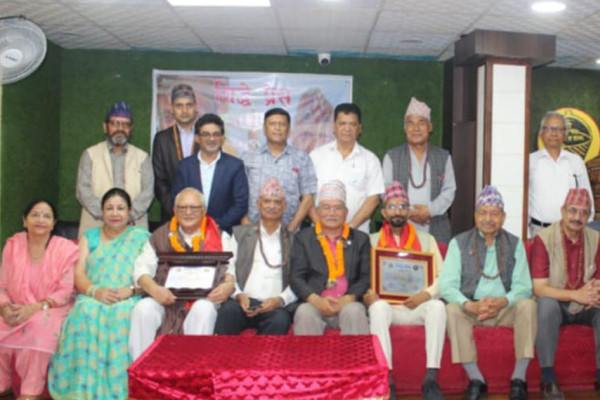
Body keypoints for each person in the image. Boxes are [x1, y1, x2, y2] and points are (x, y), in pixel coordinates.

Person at [48, 188, 150, 400]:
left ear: (129, 211)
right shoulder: (89, 237)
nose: (115, 213)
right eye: (109, 208)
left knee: (124, 313)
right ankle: (82, 389)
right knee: (84, 311)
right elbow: (79, 273)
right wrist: (96, 292)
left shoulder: (142, 238)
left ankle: (121, 390)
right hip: (93, 295)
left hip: (128, 296)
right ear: (102, 212)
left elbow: (152, 274)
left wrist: (130, 290)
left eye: (120, 208)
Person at [438, 185, 536, 400]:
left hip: (505, 308)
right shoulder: (458, 243)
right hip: (472, 308)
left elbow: (524, 286)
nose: (488, 219)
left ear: (503, 217)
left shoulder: (515, 244)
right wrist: (469, 305)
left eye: (494, 213)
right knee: (452, 310)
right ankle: (476, 380)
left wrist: (503, 301)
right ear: (475, 215)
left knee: (528, 305)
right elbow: (447, 285)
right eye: (483, 213)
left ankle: (519, 379)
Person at [129, 187, 235, 360]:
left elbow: (230, 270)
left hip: (204, 298)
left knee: (204, 309)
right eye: (182, 207)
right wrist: (155, 290)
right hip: (166, 299)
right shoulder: (160, 236)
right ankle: (141, 368)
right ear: (174, 210)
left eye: (194, 208)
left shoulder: (220, 236)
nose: (188, 212)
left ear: (204, 210)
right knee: (143, 308)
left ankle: (193, 370)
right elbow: (141, 270)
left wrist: (227, 286)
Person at [365, 181, 445, 400]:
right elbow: (365, 277)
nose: (397, 211)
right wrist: (370, 293)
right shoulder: (371, 241)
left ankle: (431, 378)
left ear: (409, 211)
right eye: (392, 206)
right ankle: (386, 378)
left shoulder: (427, 240)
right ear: (384, 212)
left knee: (437, 307)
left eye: (402, 206)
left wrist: (426, 295)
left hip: (417, 306)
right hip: (389, 308)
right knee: (377, 308)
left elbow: (443, 277)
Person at [0, 200, 78, 400]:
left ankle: (30, 391)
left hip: (51, 307)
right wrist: (5, 308)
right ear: (24, 221)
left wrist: (34, 308)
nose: (40, 220)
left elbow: (64, 292)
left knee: (38, 327)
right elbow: (3, 286)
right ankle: (4, 385)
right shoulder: (13, 245)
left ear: (53, 224)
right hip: (15, 307)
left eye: (46, 216)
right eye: (35, 215)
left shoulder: (65, 249)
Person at [531, 188, 600, 400]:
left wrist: (595, 293)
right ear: (562, 211)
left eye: (583, 213)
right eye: (573, 211)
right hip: (557, 302)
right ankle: (548, 378)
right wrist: (575, 295)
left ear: (588, 217)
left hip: (586, 303)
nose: (577, 217)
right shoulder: (544, 239)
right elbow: (539, 288)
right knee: (546, 304)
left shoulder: (596, 239)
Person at [215, 178, 297, 335]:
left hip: (273, 306)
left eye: (277, 202)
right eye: (267, 201)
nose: (272, 206)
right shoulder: (240, 234)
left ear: (284, 206)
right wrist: (238, 295)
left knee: (280, 320)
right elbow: (229, 268)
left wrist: (280, 300)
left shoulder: (294, 240)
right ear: (258, 204)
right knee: (228, 311)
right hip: (242, 301)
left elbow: (298, 279)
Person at [291, 180, 370, 335]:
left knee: (355, 311)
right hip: (314, 302)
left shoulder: (361, 239)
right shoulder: (303, 238)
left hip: (348, 303)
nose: (332, 213)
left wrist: (349, 298)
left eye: (337, 208)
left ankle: (356, 353)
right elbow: (296, 277)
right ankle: (309, 354)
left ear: (346, 212)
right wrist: (315, 300)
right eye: (326, 207)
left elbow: (366, 277)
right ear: (318, 212)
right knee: (304, 313)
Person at [382, 97, 456, 244]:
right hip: (400, 226)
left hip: (436, 227)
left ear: (430, 127)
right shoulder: (391, 157)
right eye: (410, 123)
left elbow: (449, 190)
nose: (416, 128)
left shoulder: (443, 157)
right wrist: (408, 212)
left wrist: (429, 211)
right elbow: (386, 191)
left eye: (421, 122)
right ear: (405, 128)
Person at [76, 100, 154, 237]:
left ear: (131, 129)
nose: (120, 128)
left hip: (133, 229)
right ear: (105, 127)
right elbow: (83, 192)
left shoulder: (143, 158)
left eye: (125, 124)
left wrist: (126, 216)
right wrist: (108, 215)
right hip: (96, 228)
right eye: (115, 123)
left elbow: (148, 193)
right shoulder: (90, 155)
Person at [309, 103, 384, 233]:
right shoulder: (316, 156)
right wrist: (320, 226)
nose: (347, 128)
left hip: (357, 233)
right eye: (342, 123)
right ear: (334, 127)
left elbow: (373, 199)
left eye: (352, 124)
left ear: (359, 128)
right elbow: (306, 197)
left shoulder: (370, 160)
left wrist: (350, 228)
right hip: (319, 233)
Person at [241, 107, 317, 232]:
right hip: (252, 231)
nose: (277, 128)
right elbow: (238, 195)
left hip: (289, 232)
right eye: (272, 124)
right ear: (264, 128)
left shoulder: (301, 158)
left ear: (289, 129)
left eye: (282, 124)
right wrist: (246, 225)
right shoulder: (248, 157)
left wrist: (291, 229)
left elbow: (308, 197)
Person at [172, 113, 248, 234]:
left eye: (216, 134)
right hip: (190, 231)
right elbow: (177, 200)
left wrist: (215, 225)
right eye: (206, 134)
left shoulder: (235, 166)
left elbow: (240, 204)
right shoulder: (184, 167)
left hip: (224, 232)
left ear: (222, 138)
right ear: (197, 138)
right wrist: (194, 224)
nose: (211, 139)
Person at [529, 111, 593, 238]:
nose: (554, 133)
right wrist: (527, 233)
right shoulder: (530, 161)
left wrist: (585, 230)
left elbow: (587, 198)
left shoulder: (576, 161)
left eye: (559, 129)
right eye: (549, 128)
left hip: (572, 232)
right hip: (539, 231)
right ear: (541, 133)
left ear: (565, 135)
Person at [153, 83, 199, 223]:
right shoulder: (162, 139)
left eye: (189, 105)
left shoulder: (206, 137)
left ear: (195, 108)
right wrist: (176, 209)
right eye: (179, 106)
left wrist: (199, 209)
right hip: (171, 215)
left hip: (202, 214)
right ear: (172, 109)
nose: (184, 110)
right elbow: (159, 181)